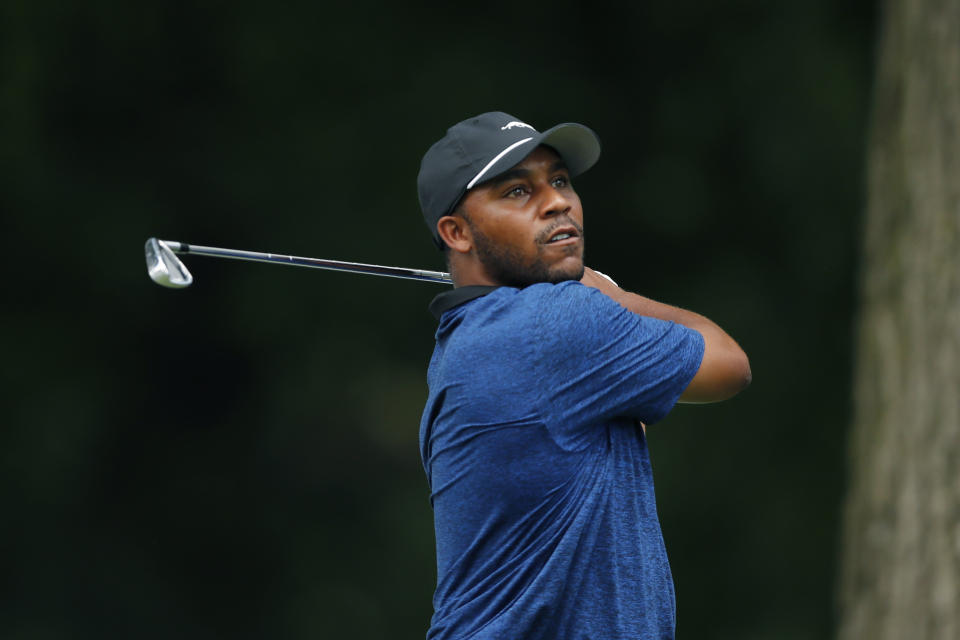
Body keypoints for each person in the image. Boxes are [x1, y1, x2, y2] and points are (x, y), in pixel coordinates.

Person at [416, 111, 751, 640]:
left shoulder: (457, 348)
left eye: (558, 180)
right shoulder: (561, 323)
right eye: (516, 192)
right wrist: (615, 297)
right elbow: (730, 365)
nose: (556, 201)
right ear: (457, 232)